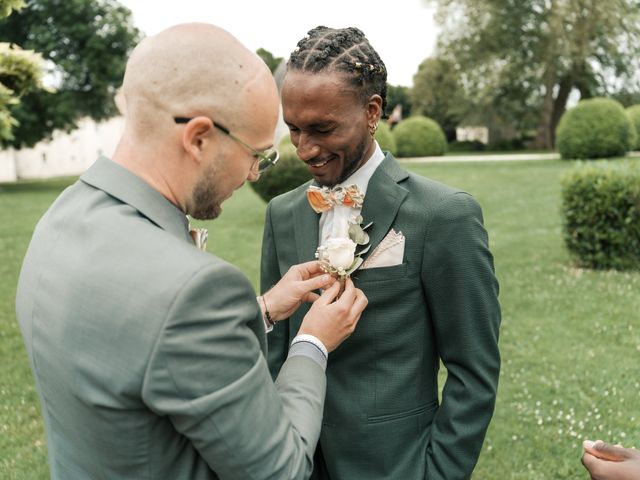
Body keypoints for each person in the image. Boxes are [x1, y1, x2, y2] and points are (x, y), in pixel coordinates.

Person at [15, 23, 368, 480]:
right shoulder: (192, 291)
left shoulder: (61, 219)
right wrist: (312, 342)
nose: (255, 174)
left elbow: (138, 341)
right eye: (256, 154)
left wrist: (262, 310)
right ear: (199, 138)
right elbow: (281, 470)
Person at [261, 26, 501, 479]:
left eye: (322, 128)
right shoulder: (281, 213)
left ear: (372, 112)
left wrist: (438, 474)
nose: (304, 149)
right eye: (293, 128)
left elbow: (474, 369)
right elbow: (275, 353)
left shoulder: (443, 215)